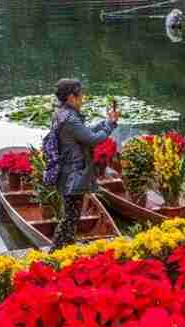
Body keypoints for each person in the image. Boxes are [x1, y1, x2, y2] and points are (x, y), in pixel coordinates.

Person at [50, 79, 119, 252]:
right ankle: (56, 252)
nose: (83, 97)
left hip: (67, 171)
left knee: (70, 216)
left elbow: (84, 132)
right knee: (70, 217)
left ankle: (64, 250)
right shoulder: (71, 119)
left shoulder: (62, 113)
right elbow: (93, 139)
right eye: (80, 94)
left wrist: (105, 123)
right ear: (71, 98)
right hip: (74, 174)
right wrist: (110, 124)